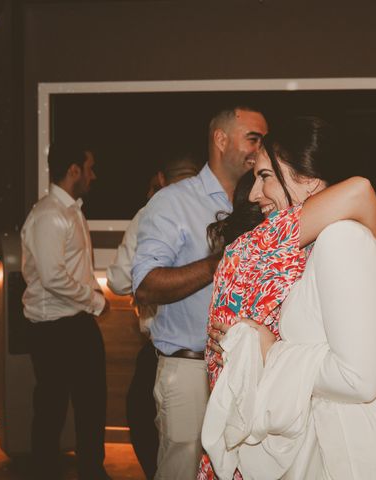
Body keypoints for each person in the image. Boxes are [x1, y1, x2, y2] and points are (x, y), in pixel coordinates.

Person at [201, 117, 376, 479]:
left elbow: (359, 379)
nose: (254, 194)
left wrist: (270, 351)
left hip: (354, 452)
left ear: (311, 179)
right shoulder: (316, 246)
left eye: (266, 176)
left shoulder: (338, 241)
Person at [131, 105, 268, 479]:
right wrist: (218, 263)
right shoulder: (172, 202)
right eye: (253, 139)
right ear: (220, 140)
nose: (260, 149)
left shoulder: (262, 201)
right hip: (190, 370)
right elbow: (144, 286)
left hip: (250, 370)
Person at [106, 152, 200, 478]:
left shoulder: (153, 212)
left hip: (166, 352)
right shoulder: (219, 210)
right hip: (220, 354)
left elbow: (118, 280)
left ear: (161, 179)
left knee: (156, 436)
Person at [21, 142, 111, 480]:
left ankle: (92, 471)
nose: (94, 175)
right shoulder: (48, 215)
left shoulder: (72, 210)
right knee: (51, 410)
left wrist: (92, 293)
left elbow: (72, 269)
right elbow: (51, 275)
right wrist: (96, 301)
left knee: (92, 403)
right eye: (89, 167)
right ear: (73, 170)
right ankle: (42, 473)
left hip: (76, 322)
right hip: (53, 328)